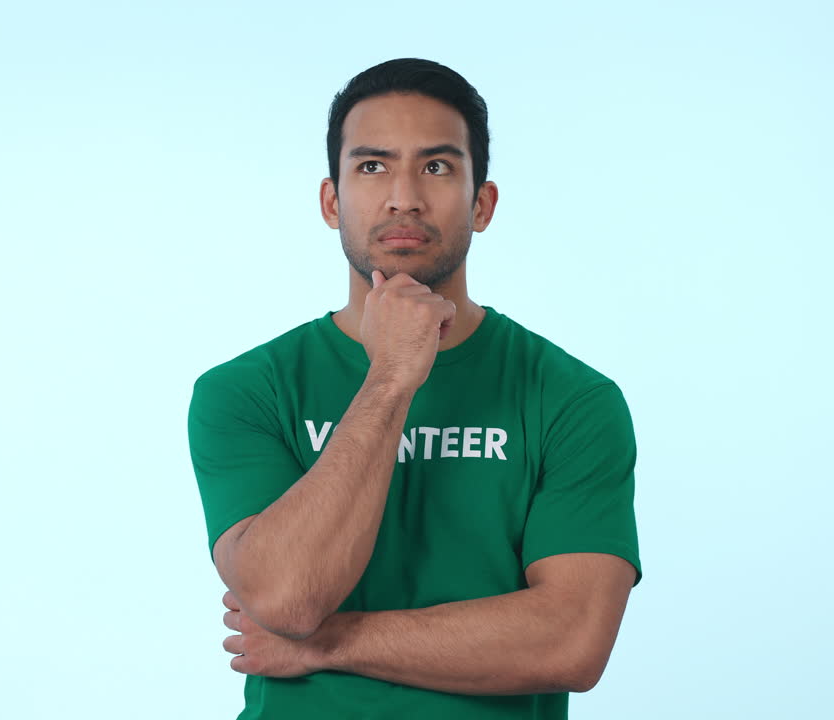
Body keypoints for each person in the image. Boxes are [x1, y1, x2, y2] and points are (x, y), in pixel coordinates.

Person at [185, 58, 642, 719]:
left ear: (481, 203)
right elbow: (287, 598)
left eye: (437, 167)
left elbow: (571, 640)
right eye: (372, 166)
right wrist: (392, 376)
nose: (404, 196)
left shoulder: (573, 398)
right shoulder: (247, 391)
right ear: (331, 201)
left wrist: (328, 644)